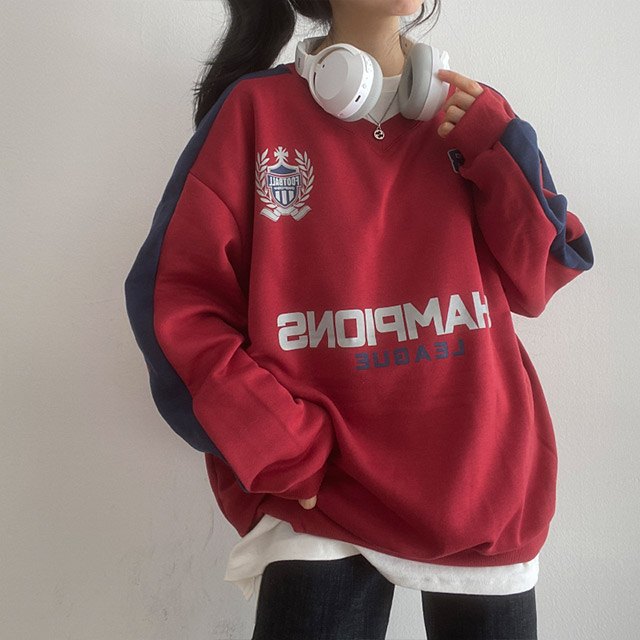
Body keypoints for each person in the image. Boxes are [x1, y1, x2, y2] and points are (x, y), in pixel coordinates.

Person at [124, 0, 594, 638]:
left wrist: (497, 144)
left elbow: (542, 275)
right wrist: (278, 444)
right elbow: (175, 302)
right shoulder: (255, 112)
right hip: (322, 495)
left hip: (480, 481)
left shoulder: (470, 116)